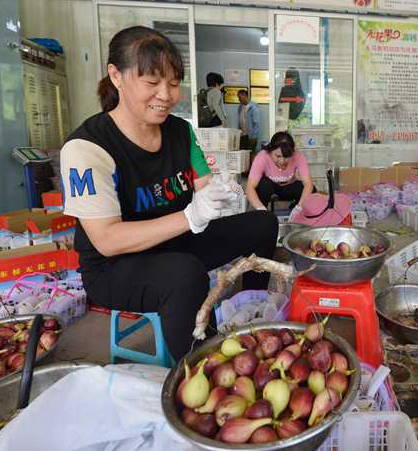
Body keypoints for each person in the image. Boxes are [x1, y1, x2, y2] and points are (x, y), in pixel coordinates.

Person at [60, 26, 277, 360]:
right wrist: (191, 215)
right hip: (115, 266)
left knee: (263, 223)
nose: (166, 95)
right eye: (152, 83)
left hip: (176, 241)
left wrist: (222, 192)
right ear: (116, 76)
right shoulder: (86, 147)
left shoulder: (179, 131)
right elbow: (106, 239)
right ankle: (204, 365)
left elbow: (204, 184)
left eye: (174, 84)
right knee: (184, 273)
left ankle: (252, 309)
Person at [245, 132, 314, 213]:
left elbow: (308, 184)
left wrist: (299, 207)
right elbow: (249, 188)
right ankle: (261, 212)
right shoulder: (262, 157)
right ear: (270, 150)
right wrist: (262, 210)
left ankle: (295, 209)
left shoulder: (298, 156)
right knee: (263, 185)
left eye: (287, 156)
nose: (282, 161)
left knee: (310, 190)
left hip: (288, 187)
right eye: (278, 156)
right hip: (270, 188)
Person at [238, 89, 260, 154]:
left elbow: (256, 124)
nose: (239, 99)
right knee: (243, 154)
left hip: (250, 137)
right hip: (242, 135)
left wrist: (254, 137)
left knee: (250, 155)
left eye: (240, 97)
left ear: (245, 96)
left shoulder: (253, 108)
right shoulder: (240, 107)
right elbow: (240, 121)